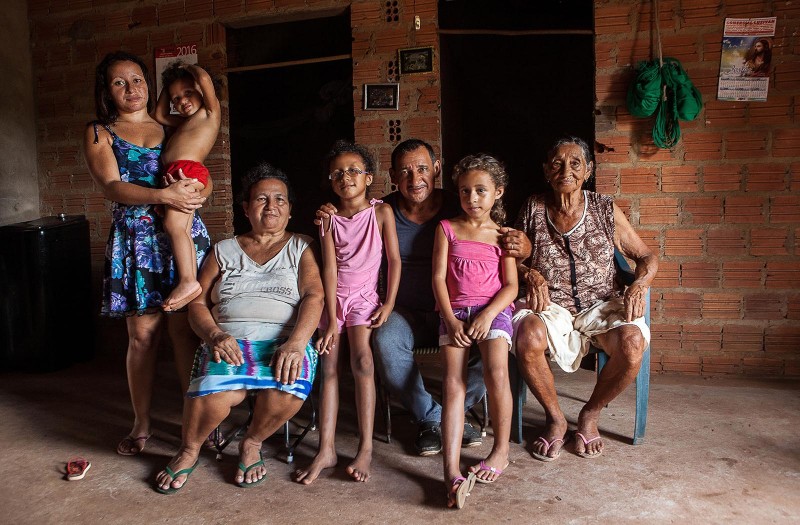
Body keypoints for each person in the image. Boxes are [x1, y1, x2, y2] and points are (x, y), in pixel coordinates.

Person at [315, 139, 529, 457]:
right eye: (405, 171)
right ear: (392, 176)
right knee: (385, 343)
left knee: (495, 350)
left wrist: (523, 250)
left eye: (422, 169)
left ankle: (440, 418)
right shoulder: (382, 212)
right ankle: (434, 416)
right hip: (405, 311)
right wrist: (328, 211)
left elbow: (502, 247)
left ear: (437, 169)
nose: (415, 179)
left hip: (460, 310)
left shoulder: (463, 204)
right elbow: (350, 218)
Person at [155, 163, 324, 493]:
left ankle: (252, 442)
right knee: (214, 395)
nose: (271, 205)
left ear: (290, 211)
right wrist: (215, 334)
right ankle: (189, 450)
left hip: (283, 339)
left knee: (287, 388)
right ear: (246, 209)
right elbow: (198, 302)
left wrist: (297, 341)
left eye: (280, 199)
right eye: (261, 199)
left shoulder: (301, 246)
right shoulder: (223, 250)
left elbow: (315, 294)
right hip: (230, 339)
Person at [83, 51, 211, 456]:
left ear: (148, 84)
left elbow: (195, 169)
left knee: (185, 331)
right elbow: (112, 186)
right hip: (135, 240)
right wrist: (163, 194)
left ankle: (200, 423)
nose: (131, 89)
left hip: (178, 234)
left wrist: (197, 195)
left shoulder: (169, 125)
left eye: (137, 80)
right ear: (107, 91)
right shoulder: (100, 132)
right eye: (119, 83)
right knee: (142, 337)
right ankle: (142, 422)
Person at [511, 136, 658, 461]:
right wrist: (529, 274)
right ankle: (556, 419)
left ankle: (590, 414)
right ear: (546, 170)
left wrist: (640, 284)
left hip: (602, 304)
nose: (567, 170)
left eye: (575, 163)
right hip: (552, 307)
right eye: (558, 163)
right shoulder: (533, 207)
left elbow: (647, 256)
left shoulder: (606, 209)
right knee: (526, 336)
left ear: (588, 170)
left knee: (632, 343)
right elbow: (514, 256)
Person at [295, 141, 401, 484]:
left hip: (366, 297)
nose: (346, 177)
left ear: (369, 177)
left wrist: (388, 303)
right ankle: (326, 449)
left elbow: (394, 261)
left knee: (363, 363)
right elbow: (328, 268)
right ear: (331, 180)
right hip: (334, 298)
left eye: (354, 170)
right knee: (328, 368)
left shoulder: (381, 212)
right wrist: (330, 319)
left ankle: (365, 448)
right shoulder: (328, 218)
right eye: (338, 172)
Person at [433, 154, 517, 508]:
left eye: (481, 190)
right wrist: (451, 319)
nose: (473, 198)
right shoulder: (446, 229)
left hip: (493, 312)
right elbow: (437, 278)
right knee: (453, 383)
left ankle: (500, 451)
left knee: (496, 372)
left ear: (497, 192)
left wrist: (488, 316)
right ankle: (450, 470)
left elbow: (511, 286)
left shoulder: (504, 235)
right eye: (465, 191)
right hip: (454, 312)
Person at [153, 62, 221, 311]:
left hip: (188, 170)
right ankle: (189, 279)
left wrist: (187, 68)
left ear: (202, 93)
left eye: (188, 93)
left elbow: (203, 78)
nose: (182, 101)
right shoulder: (180, 123)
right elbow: (158, 115)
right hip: (176, 173)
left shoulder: (210, 113)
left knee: (174, 226)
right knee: (180, 227)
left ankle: (188, 280)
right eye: (176, 98)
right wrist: (167, 83)